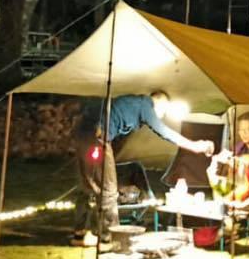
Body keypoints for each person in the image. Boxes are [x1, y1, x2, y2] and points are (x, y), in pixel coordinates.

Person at [71, 89, 214, 248]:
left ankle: (80, 235)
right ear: (160, 103)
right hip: (97, 138)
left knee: (88, 186)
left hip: (83, 135)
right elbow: (164, 132)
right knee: (108, 191)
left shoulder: (132, 102)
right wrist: (195, 146)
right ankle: (108, 239)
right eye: (164, 112)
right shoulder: (146, 105)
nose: (162, 116)